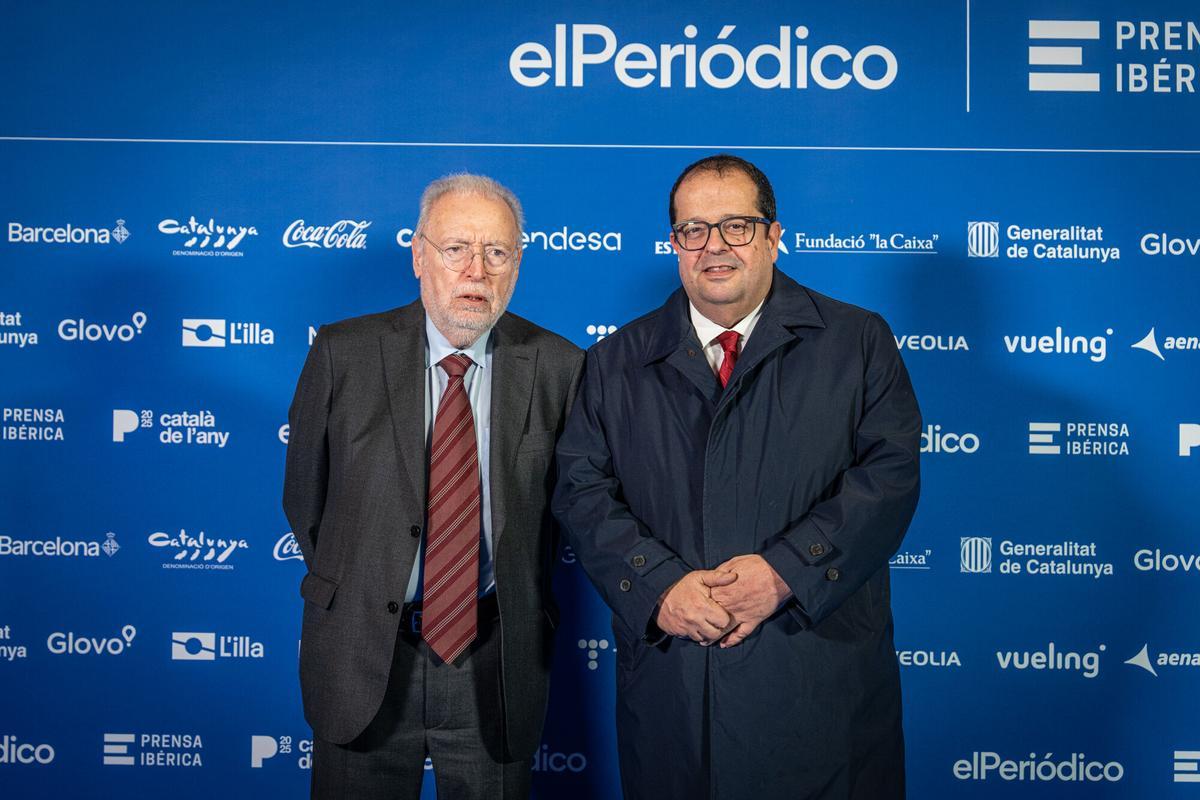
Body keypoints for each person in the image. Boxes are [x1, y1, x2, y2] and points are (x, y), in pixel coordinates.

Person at [553, 154, 921, 799]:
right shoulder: (614, 361)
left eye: (737, 227)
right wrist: (659, 587)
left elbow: (888, 477)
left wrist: (786, 572)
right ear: (674, 245)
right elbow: (582, 491)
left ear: (776, 237)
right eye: (693, 230)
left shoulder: (858, 342)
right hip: (677, 682)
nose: (714, 247)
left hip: (816, 672)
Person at [284, 173, 583, 799]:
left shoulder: (560, 366)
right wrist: (371, 582)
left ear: (518, 264)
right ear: (419, 256)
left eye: (497, 252)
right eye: (456, 249)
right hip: (366, 653)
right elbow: (306, 500)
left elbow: (565, 514)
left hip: (494, 660)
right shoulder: (343, 353)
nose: (477, 269)